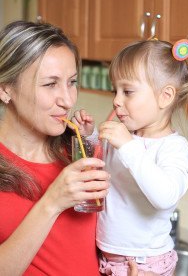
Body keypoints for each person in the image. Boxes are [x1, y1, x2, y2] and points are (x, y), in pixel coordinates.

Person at [72, 35, 188, 275]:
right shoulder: (125, 138)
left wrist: (128, 145)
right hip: (107, 258)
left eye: (128, 91)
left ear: (165, 96)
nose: (117, 101)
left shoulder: (173, 149)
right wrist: (88, 137)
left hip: (144, 264)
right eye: (115, 90)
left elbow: (165, 196)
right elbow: (99, 164)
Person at [0, 20, 110, 276]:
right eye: (50, 84)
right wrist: (53, 201)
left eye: (71, 82)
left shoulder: (82, 151)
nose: (68, 100)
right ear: (6, 89)